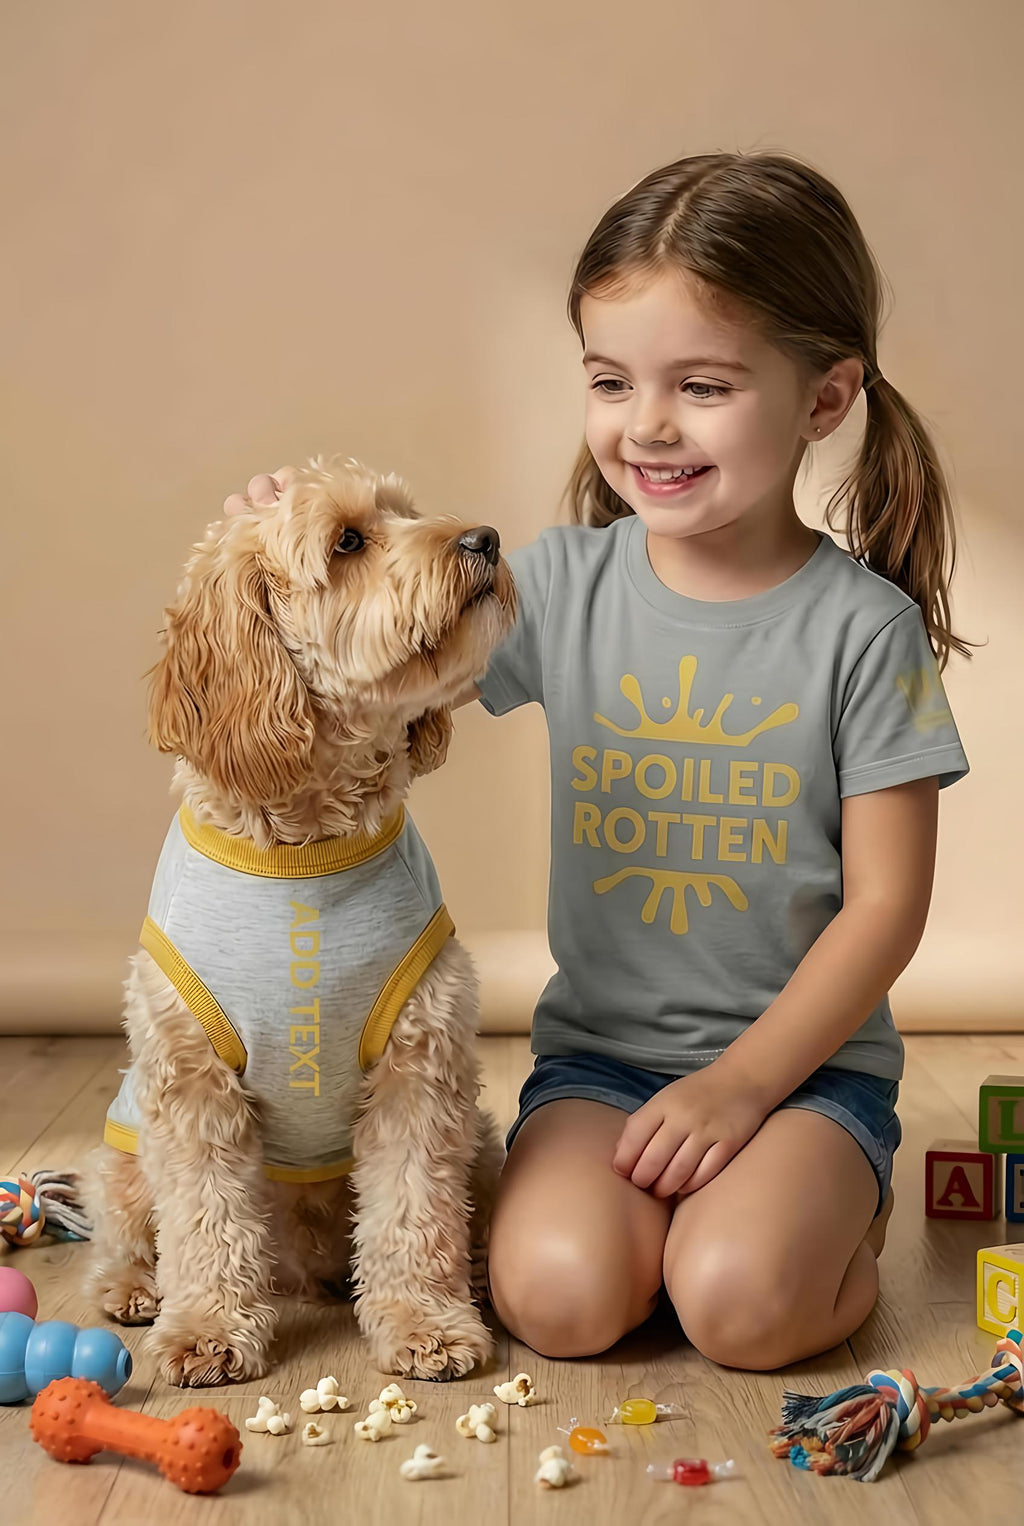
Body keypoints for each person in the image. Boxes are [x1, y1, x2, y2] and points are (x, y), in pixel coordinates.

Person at [226, 150, 974, 1372]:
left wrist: (742, 1088)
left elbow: (887, 909)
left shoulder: (864, 631)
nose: (649, 425)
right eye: (611, 380)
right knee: (557, 1301)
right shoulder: (557, 587)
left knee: (740, 1307)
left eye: (703, 384)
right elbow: (387, 633)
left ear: (827, 399)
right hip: (601, 1068)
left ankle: (828, 1207)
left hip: (800, 1076)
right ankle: (681, 1230)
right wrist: (296, 546)